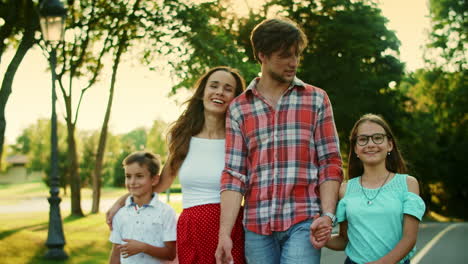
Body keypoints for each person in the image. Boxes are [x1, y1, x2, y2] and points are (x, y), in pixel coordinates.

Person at [215, 18, 343, 264]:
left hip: (304, 220)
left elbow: (330, 163)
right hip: (256, 226)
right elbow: (234, 174)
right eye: (284, 55)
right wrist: (225, 234)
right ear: (262, 55)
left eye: (296, 55)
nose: (293, 62)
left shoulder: (316, 99)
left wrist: (327, 214)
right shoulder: (239, 108)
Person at [107, 66, 246, 264]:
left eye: (227, 88)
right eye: (213, 86)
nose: (219, 92)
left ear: (235, 97)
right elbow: (161, 183)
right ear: (202, 92)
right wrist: (121, 201)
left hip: (230, 229)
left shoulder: (240, 138)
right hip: (191, 229)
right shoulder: (182, 137)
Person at [314, 114, 426, 263]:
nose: (371, 144)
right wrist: (324, 239)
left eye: (378, 138)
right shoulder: (345, 189)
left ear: (390, 145)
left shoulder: (408, 184)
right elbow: (345, 240)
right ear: (355, 149)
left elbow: (409, 239)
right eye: (363, 139)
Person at [108, 151, 177, 264]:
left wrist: (144, 248)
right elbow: (115, 255)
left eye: (139, 176)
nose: (132, 182)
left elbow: (170, 254)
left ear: (154, 180)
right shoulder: (120, 214)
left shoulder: (166, 212)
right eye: (128, 176)